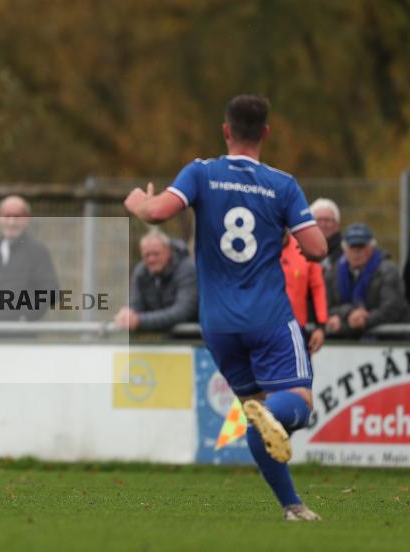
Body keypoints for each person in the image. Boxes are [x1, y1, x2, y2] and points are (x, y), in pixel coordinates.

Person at [124, 94, 328, 521]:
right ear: (266, 133)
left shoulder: (201, 173)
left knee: (258, 418)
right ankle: (278, 420)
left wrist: (138, 204)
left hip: (218, 324)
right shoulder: (282, 184)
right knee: (297, 402)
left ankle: (292, 506)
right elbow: (317, 247)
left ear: (226, 130)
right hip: (269, 316)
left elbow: (157, 213)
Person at [0, 196, 60, 321]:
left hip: (20, 336)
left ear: (27, 219)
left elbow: (51, 291)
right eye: (7, 216)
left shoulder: (37, 251)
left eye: (17, 216)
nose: (11, 222)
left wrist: (25, 316)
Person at [324, 223, 410, 335]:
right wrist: (349, 313)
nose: (357, 252)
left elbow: (392, 308)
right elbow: (325, 307)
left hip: (391, 339)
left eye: (361, 247)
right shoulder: (333, 273)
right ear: (345, 249)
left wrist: (365, 319)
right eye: (352, 247)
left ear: (372, 248)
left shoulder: (388, 270)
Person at [114, 228, 197, 332]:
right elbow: (135, 304)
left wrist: (140, 321)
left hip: (192, 340)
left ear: (169, 251)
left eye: (156, 254)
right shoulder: (141, 271)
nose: (151, 259)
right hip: (158, 340)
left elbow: (183, 311)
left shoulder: (187, 269)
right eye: (146, 255)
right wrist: (126, 315)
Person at [280, 230, 327, 353]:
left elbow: (318, 288)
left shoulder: (303, 248)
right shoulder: (258, 249)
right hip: (262, 328)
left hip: (296, 330)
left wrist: (321, 326)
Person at [309, 198, 342, 271]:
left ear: (337, 224)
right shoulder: (301, 249)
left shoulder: (346, 251)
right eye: (319, 220)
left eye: (327, 220)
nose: (323, 224)